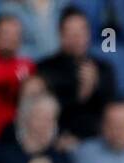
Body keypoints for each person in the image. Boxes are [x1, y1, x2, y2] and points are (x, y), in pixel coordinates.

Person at [37, 5, 118, 144]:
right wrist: (81, 93)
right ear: (60, 35)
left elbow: (111, 108)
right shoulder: (45, 68)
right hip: (56, 139)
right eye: (71, 33)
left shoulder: (104, 68)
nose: (77, 38)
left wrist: (95, 86)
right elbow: (44, 112)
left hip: (97, 141)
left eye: (82, 31)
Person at [0, 0, 69, 61]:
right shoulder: (12, 8)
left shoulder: (63, 4)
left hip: (60, 66)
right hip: (27, 66)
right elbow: (6, 45)